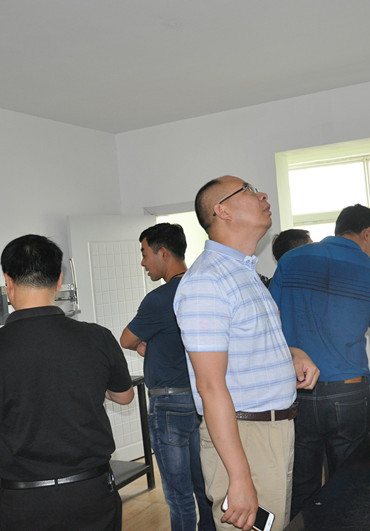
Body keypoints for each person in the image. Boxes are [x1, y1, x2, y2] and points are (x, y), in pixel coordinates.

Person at [173, 175, 320, 531]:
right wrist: (238, 478)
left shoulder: (243, 272)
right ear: (222, 211)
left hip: (270, 431)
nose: (262, 194)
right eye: (250, 190)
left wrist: (292, 354)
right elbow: (210, 386)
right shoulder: (208, 280)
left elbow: (244, 344)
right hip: (244, 437)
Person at [0, 234, 133, 531]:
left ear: (8, 282)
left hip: (25, 501)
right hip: (90, 491)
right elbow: (125, 396)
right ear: (59, 279)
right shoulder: (97, 337)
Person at [269, 204, 370, 518]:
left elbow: (269, 324)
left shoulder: (290, 260)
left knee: (302, 484)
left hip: (296, 390)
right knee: (351, 485)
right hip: (348, 393)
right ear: (367, 233)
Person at [120, 223, 215, 531]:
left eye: (145, 253)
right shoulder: (202, 289)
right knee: (205, 487)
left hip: (169, 405)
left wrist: (145, 343)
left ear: (163, 253)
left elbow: (126, 339)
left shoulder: (159, 299)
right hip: (203, 401)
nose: (143, 262)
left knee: (178, 495)